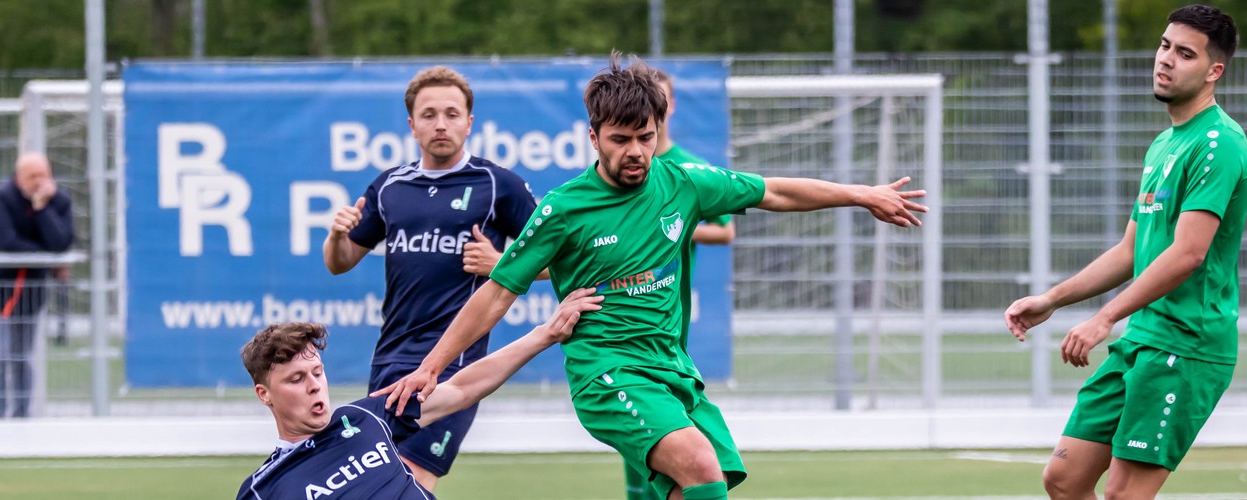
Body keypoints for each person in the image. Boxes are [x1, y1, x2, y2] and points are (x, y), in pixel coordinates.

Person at [376, 53, 927, 500]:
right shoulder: (564, 208)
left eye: (645, 136)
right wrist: (431, 367)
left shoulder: (684, 182)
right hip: (606, 372)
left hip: (672, 370)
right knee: (700, 466)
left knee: (699, 488)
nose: (635, 151)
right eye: (620, 140)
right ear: (594, 137)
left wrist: (861, 194)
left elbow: (774, 190)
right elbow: (497, 293)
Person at [1004, 5, 1247, 499]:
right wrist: (1053, 299)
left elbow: (1188, 255)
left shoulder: (1218, 144)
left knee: (1124, 494)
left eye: (1185, 54)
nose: (1165, 60)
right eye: (1165, 46)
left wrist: (1105, 318)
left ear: (1213, 71)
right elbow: (1130, 249)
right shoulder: (1165, 144)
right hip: (1142, 339)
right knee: (1064, 479)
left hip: (1185, 347)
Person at [321, 65, 539, 491]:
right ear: (411, 124)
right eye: (429, 114)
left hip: (453, 362)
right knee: (381, 480)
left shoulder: (497, 185)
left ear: (469, 122)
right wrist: (335, 235)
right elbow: (339, 261)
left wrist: (500, 262)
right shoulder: (390, 187)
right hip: (390, 358)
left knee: (412, 476)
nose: (441, 124)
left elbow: (559, 261)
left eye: (452, 114)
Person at [236, 288, 603, 499]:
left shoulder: (366, 417)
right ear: (264, 394)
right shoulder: (264, 488)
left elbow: (460, 388)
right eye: (296, 379)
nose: (315, 384)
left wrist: (545, 334)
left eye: (317, 371)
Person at [616, 66, 738, 500]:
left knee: (693, 464)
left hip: (669, 331)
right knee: (647, 464)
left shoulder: (687, 169)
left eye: (661, 102)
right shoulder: (619, 172)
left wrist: (671, 225)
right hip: (624, 340)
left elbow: (725, 229)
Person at [0, 152, 74, 418]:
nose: (39, 182)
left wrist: (43, 209)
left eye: (43, 175)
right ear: (19, 178)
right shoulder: (3, 198)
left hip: (30, 296)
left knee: (23, 358)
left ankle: (21, 415)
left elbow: (62, 242)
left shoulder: (59, 201)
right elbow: (6, 242)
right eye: (33, 177)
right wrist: (44, 255)